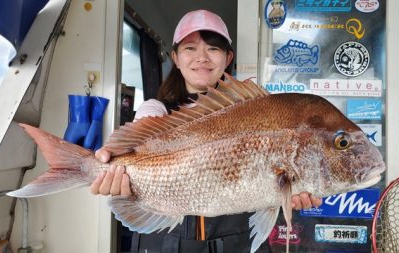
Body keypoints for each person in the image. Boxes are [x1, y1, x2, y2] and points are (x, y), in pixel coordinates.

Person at [91, 9, 322, 252]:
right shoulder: (156, 110)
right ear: (176, 58)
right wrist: (110, 164)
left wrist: (290, 193)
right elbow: (134, 146)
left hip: (237, 244)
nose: (202, 57)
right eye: (190, 48)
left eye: (213, 48)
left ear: (228, 57)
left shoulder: (256, 112)